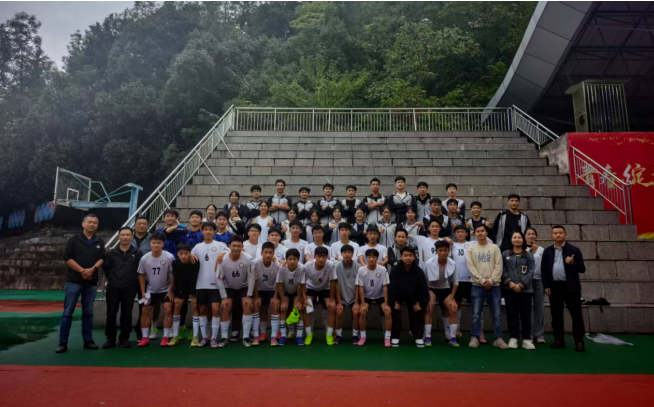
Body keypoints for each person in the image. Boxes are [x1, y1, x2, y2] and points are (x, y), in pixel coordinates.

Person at [57, 214, 105, 354]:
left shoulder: (99, 241)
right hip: (74, 281)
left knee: (88, 313)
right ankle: (63, 342)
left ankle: (88, 340)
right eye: (89, 222)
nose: (92, 224)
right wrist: (82, 271)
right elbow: (67, 258)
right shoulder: (73, 239)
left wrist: (92, 270)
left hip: (91, 282)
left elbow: (102, 258)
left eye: (95, 222)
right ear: (83, 223)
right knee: (68, 313)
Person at [541, 225, 586, 352]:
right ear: (552, 235)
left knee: (576, 315)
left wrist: (572, 263)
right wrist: (546, 285)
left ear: (565, 235)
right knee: (556, 315)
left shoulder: (574, 250)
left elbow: (582, 268)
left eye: (560, 233)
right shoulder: (547, 251)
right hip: (554, 287)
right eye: (555, 233)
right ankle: (559, 340)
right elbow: (543, 270)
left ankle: (579, 341)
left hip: (571, 287)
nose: (558, 235)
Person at [467, 224, 509, 349]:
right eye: (478, 231)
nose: (480, 233)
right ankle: (475, 337)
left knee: (497, 314)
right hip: (477, 285)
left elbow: (499, 265)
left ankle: (498, 338)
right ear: (475, 233)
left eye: (482, 231)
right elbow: (470, 266)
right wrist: (481, 280)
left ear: (486, 232)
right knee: (476, 314)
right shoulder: (471, 248)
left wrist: (491, 280)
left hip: (494, 286)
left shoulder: (494, 247)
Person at [103, 227, 141, 349]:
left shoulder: (137, 253)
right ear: (119, 237)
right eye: (122, 235)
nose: (125, 237)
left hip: (130, 287)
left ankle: (124, 338)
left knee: (127, 313)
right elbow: (106, 269)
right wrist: (113, 280)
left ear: (132, 237)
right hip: (113, 287)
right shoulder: (110, 253)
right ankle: (110, 339)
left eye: (127, 235)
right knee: (111, 313)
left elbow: (139, 270)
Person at [190, 222, 228, 348]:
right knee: (202, 310)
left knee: (216, 309)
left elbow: (231, 252)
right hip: (201, 284)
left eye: (210, 229)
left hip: (216, 284)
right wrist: (190, 255)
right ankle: (205, 337)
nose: (208, 232)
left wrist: (224, 253)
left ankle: (214, 338)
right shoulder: (197, 247)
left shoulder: (220, 245)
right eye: (205, 229)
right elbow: (190, 257)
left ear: (214, 231)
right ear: (201, 231)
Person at [136, 232, 175, 347]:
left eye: (158, 243)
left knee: (168, 309)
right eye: (153, 243)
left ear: (163, 244)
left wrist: (170, 290)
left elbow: (174, 275)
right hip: (151, 290)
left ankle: (165, 337)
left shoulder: (169, 257)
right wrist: (143, 292)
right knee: (145, 311)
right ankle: (144, 338)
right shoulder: (144, 258)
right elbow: (141, 275)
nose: (156, 245)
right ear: (150, 244)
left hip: (166, 290)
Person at [216, 236, 255, 347]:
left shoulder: (248, 259)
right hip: (228, 287)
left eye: (239, 246)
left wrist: (249, 295)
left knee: (247, 304)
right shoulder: (223, 259)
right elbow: (218, 278)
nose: (236, 248)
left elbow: (251, 278)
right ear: (229, 246)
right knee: (225, 306)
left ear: (242, 247)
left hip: (243, 287)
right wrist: (224, 297)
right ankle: (224, 337)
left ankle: (246, 337)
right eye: (234, 246)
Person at [502, 231, 536, 350]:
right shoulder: (505, 254)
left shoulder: (529, 255)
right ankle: (513, 337)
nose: (517, 239)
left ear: (523, 240)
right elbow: (502, 269)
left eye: (519, 237)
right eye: (514, 237)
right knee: (512, 314)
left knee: (525, 314)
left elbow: (531, 271)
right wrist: (510, 283)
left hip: (526, 290)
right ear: (511, 240)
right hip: (509, 289)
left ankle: (526, 339)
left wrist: (521, 285)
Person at [388, 247, 429, 347]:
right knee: (395, 309)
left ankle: (418, 336)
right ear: (401, 257)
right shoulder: (395, 270)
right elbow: (391, 287)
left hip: (413, 295)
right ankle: (395, 336)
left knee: (416, 309)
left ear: (414, 257)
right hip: (398, 295)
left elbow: (423, 288)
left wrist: (421, 304)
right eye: (405, 255)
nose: (408, 258)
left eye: (410, 255)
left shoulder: (419, 271)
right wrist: (393, 302)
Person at [451, 225, 485, 343]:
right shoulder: (452, 245)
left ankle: (480, 332)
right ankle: (456, 330)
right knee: (456, 307)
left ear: (467, 234)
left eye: (462, 232)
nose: (460, 234)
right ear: (455, 234)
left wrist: (475, 233)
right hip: (457, 281)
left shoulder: (473, 243)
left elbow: (488, 240)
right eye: (458, 232)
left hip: (472, 280)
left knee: (477, 308)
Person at [425, 240, 460, 348]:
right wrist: (428, 299)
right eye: (440, 250)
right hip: (431, 288)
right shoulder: (429, 263)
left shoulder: (452, 263)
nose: (443, 253)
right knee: (429, 308)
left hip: (445, 288)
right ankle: (427, 337)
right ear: (436, 251)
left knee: (453, 309)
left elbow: (455, 282)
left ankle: (452, 337)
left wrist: (452, 298)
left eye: (445, 250)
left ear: (449, 251)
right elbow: (425, 281)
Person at [355, 249, 392, 347]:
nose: (371, 259)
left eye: (374, 257)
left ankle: (387, 338)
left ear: (377, 258)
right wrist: (363, 303)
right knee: (363, 312)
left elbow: (385, 287)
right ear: (366, 258)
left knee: (387, 312)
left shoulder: (383, 269)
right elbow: (360, 287)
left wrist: (386, 303)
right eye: (369, 257)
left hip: (380, 296)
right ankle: (363, 336)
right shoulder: (361, 270)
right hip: (367, 297)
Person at [302, 247, 336, 346]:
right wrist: (304, 298)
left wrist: (332, 299)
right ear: (314, 257)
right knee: (307, 307)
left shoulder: (331, 265)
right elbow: (302, 283)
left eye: (324, 257)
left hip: (325, 288)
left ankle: (329, 334)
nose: (321, 259)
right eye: (319, 256)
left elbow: (333, 282)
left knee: (331, 307)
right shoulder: (307, 265)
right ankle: (309, 334)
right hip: (311, 288)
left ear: (327, 257)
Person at [272, 249, 306, 346]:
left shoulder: (302, 268)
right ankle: (283, 336)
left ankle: (299, 336)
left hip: (297, 292)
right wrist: (283, 300)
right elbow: (279, 284)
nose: (292, 261)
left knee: (298, 309)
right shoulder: (282, 268)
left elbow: (300, 286)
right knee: (283, 309)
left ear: (298, 260)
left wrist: (299, 300)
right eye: (290, 259)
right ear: (286, 259)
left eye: (295, 259)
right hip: (285, 291)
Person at [168, 243, 200, 347]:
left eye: (186, 253)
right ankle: (175, 336)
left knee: (195, 306)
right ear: (177, 254)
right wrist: (171, 290)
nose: (183, 256)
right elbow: (174, 277)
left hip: (194, 286)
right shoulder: (175, 263)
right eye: (181, 253)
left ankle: (195, 336)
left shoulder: (195, 262)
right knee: (177, 305)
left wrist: (194, 293)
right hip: (180, 287)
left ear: (190, 253)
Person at [251, 242, 279, 344]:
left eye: (270, 253)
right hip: (259, 290)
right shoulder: (255, 263)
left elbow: (279, 283)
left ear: (273, 253)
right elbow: (254, 281)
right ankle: (259, 334)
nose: (268, 255)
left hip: (273, 290)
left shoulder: (277, 265)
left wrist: (275, 297)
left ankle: (274, 336)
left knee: (275, 306)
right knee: (259, 307)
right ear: (261, 253)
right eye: (266, 252)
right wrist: (256, 297)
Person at [332, 244, 358, 345]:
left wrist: (357, 302)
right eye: (345, 252)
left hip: (354, 297)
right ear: (341, 254)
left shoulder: (358, 267)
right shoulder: (336, 267)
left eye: (349, 252)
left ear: (353, 253)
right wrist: (338, 302)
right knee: (339, 312)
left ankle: (355, 335)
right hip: (341, 296)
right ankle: (338, 335)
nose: (347, 254)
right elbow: (336, 285)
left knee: (355, 313)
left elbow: (359, 286)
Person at [525, 227, 546, 344]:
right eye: (528, 234)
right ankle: (528, 334)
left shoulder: (541, 249)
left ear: (536, 236)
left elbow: (545, 266)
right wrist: (529, 252)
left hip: (539, 280)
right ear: (525, 236)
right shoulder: (521, 249)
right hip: (525, 282)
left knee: (539, 308)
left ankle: (539, 334)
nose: (531, 236)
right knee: (526, 309)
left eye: (533, 234)